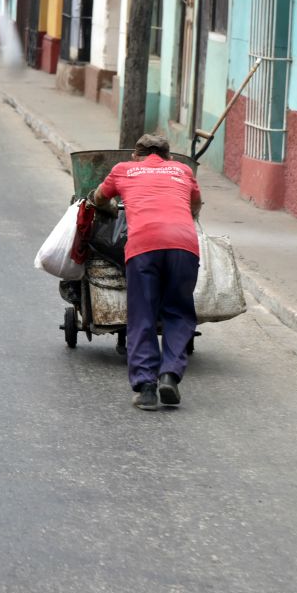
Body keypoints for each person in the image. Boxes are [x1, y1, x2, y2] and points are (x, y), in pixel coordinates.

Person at [89, 134, 203, 411]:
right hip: (184, 246)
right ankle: (169, 375)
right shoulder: (183, 171)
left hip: (144, 247)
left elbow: (98, 198)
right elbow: (195, 207)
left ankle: (146, 387)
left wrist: (107, 206)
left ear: (134, 156)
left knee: (143, 315)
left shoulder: (123, 170)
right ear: (169, 158)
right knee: (178, 312)